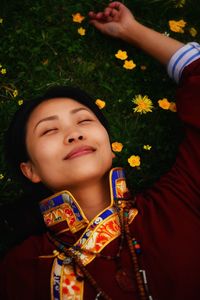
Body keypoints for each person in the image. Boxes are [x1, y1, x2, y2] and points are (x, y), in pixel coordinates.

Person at [1, 1, 200, 299]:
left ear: (110, 146)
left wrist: (132, 31)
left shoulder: (181, 198)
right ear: (29, 169)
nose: (74, 133)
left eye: (84, 120)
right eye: (49, 130)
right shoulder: (19, 271)